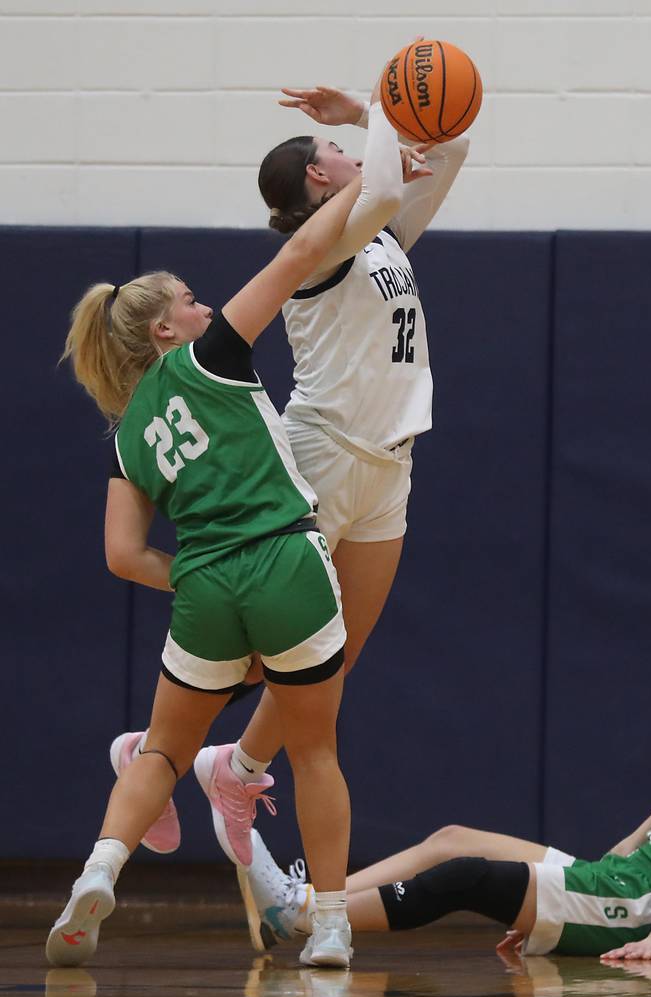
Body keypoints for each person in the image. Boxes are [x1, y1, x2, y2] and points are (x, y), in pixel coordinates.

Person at [45, 81, 428, 970]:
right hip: (286, 561)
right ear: (164, 332)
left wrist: (183, 577)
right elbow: (300, 250)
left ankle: (99, 871)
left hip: (205, 584)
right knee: (315, 746)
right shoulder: (216, 358)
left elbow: (118, 553)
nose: (202, 302)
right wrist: (366, 135)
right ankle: (330, 922)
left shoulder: (127, 433)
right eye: (185, 298)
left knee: (166, 748)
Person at [111, 74, 470, 867]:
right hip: (326, 450)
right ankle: (162, 749)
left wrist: (399, 121)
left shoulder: (379, 234)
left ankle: (228, 767)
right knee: (280, 642)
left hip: (391, 461)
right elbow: (382, 174)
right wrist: (368, 109)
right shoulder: (323, 247)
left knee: (339, 650)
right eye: (334, 150)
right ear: (317, 175)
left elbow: (449, 149)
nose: (347, 151)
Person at [239, 656, 651, 960]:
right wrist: (546, 903)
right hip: (613, 882)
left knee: (465, 877)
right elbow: (630, 844)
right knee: (452, 838)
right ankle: (317, 899)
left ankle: (297, 918)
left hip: (638, 906)